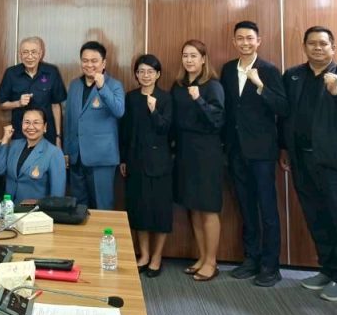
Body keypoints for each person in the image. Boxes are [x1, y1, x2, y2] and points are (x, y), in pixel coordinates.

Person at [281, 25, 337, 302]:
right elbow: (285, 116)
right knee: (315, 216)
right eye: (312, 43)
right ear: (304, 47)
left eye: (323, 44)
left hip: (333, 161)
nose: (317, 48)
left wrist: (336, 92)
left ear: (333, 47)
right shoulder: (293, 75)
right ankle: (327, 269)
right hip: (301, 158)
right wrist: (284, 148)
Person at [219, 21, 287, 287]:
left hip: (262, 151)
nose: (245, 43)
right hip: (235, 150)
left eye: (250, 38)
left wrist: (260, 85)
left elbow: (282, 107)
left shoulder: (269, 70)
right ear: (234, 42)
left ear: (259, 41)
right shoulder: (227, 69)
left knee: (267, 208)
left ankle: (271, 265)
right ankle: (251, 258)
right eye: (240, 38)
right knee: (246, 207)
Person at [172, 39, 225, 282]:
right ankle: (202, 257)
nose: (189, 60)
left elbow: (218, 121)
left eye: (194, 55)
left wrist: (199, 99)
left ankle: (212, 262)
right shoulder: (178, 86)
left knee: (208, 208)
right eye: (185, 55)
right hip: (185, 152)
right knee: (192, 206)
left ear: (203, 59)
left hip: (207, 153)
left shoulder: (213, 86)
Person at [119, 53, 172, 278]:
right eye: (141, 71)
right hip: (135, 161)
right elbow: (125, 131)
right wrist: (123, 159)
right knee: (138, 209)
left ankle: (157, 257)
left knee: (160, 212)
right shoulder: (130, 97)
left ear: (158, 74)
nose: (146, 75)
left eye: (150, 71)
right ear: (136, 74)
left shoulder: (165, 98)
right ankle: (144, 254)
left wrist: (154, 110)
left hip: (159, 163)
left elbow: (166, 129)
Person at [63, 41, 125, 210]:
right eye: (85, 60)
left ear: (103, 63)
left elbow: (119, 111)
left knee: (102, 206)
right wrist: (67, 151)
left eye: (94, 61)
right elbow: (69, 120)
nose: (89, 65)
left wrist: (102, 87)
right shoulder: (75, 85)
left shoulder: (114, 85)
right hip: (76, 157)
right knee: (78, 207)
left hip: (101, 158)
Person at [0, 36, 66, 148]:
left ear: (40, 54)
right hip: (20, 135)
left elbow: (56, 105)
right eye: (25, 52)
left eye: (33, 52)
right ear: (20, 54)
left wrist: (58, 136)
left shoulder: (52, 72)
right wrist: (18, 103)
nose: (30, 56)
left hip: (47, 134)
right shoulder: (11, 74)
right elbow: (1, 104)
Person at [0, 107, 66, 202]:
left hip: (35, 209)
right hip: (8, 207)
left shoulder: (54, 153)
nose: (31, 127)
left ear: (45, 127)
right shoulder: (14, 145)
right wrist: (5, 139)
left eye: (36, 122)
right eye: (27, 122)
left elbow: (57, 195)